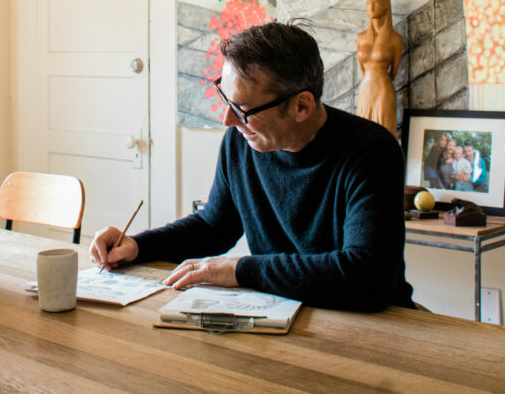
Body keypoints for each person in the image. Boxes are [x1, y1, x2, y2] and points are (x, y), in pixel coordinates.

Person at [89, 22, 415, 312]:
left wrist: (239, 270)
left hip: (371, 325)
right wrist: (139, 245)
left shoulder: (371, 152)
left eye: (243, 108)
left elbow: (366, 277)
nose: (228, 120)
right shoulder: (242, 141)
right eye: (226, 99)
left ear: (301, 106)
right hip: (282, 312)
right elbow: (213, 226)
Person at [355, 0, 404, 134]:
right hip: (365, 88)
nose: (370, 7)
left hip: (383, 88)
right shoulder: (360, 38)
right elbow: (362, 69)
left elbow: (394, 71)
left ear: (385, 6)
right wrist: (369, 81)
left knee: (383, 128)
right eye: (368, 3)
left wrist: (380, 79)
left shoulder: (395, 39)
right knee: (363, 129)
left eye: (375, 3)